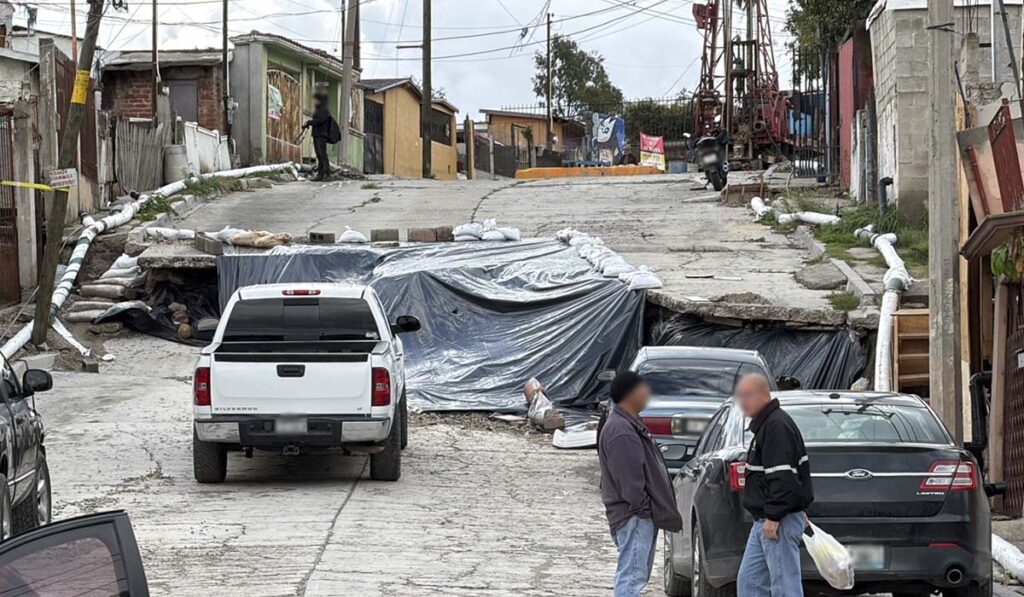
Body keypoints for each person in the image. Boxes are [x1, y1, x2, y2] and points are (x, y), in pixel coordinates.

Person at [599, 371, 683, 597]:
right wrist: (643, 510)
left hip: (637, 515)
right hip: (634, 516)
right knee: (632, 577)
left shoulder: (628, 424)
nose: (647, 394)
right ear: (630, 394)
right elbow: (629, 479)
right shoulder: (622, 431)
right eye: (643, 389)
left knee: (635, 574)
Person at [735, 374, 814, 597]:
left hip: (776, 521)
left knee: (784, 586)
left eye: (748, 396)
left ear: (764, 395)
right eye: (740, 397)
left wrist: (776, 516)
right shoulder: (766, 426)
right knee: (749, 582)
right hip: (765, 519)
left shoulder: (776, 426)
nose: (743, 402)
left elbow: (782, 476)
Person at [303, 87, 334, 181]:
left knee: (323, 155)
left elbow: (319, 121)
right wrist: (308, 124)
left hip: (321, 135)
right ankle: (320, 175)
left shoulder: (324, 110)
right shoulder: (318, 110)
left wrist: (309, 122)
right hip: (317, 134)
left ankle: (327, 174)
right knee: (319, 156)